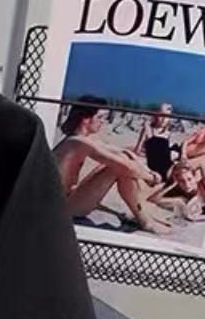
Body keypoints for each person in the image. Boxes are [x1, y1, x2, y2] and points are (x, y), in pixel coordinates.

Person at [53, 95, 172, 234]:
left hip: (68, 197)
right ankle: (145, 221)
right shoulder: (79, 143)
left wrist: (142, 166)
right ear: (86, 119)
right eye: (101, 117)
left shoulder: (79, 139)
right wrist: (152, 178)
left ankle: (142, 214)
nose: (103, 121)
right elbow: (125, 166)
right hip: (62, 208)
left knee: (121, 160)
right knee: (119, 168)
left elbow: (121, 152)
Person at [136, 102, 176, 183]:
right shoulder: (148, 129)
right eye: (162, 115)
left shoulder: (168, 133)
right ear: (157, 114)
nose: (164, 119)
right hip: (153, 170)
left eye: (167, 116)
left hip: (168, 169)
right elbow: (137, 151)